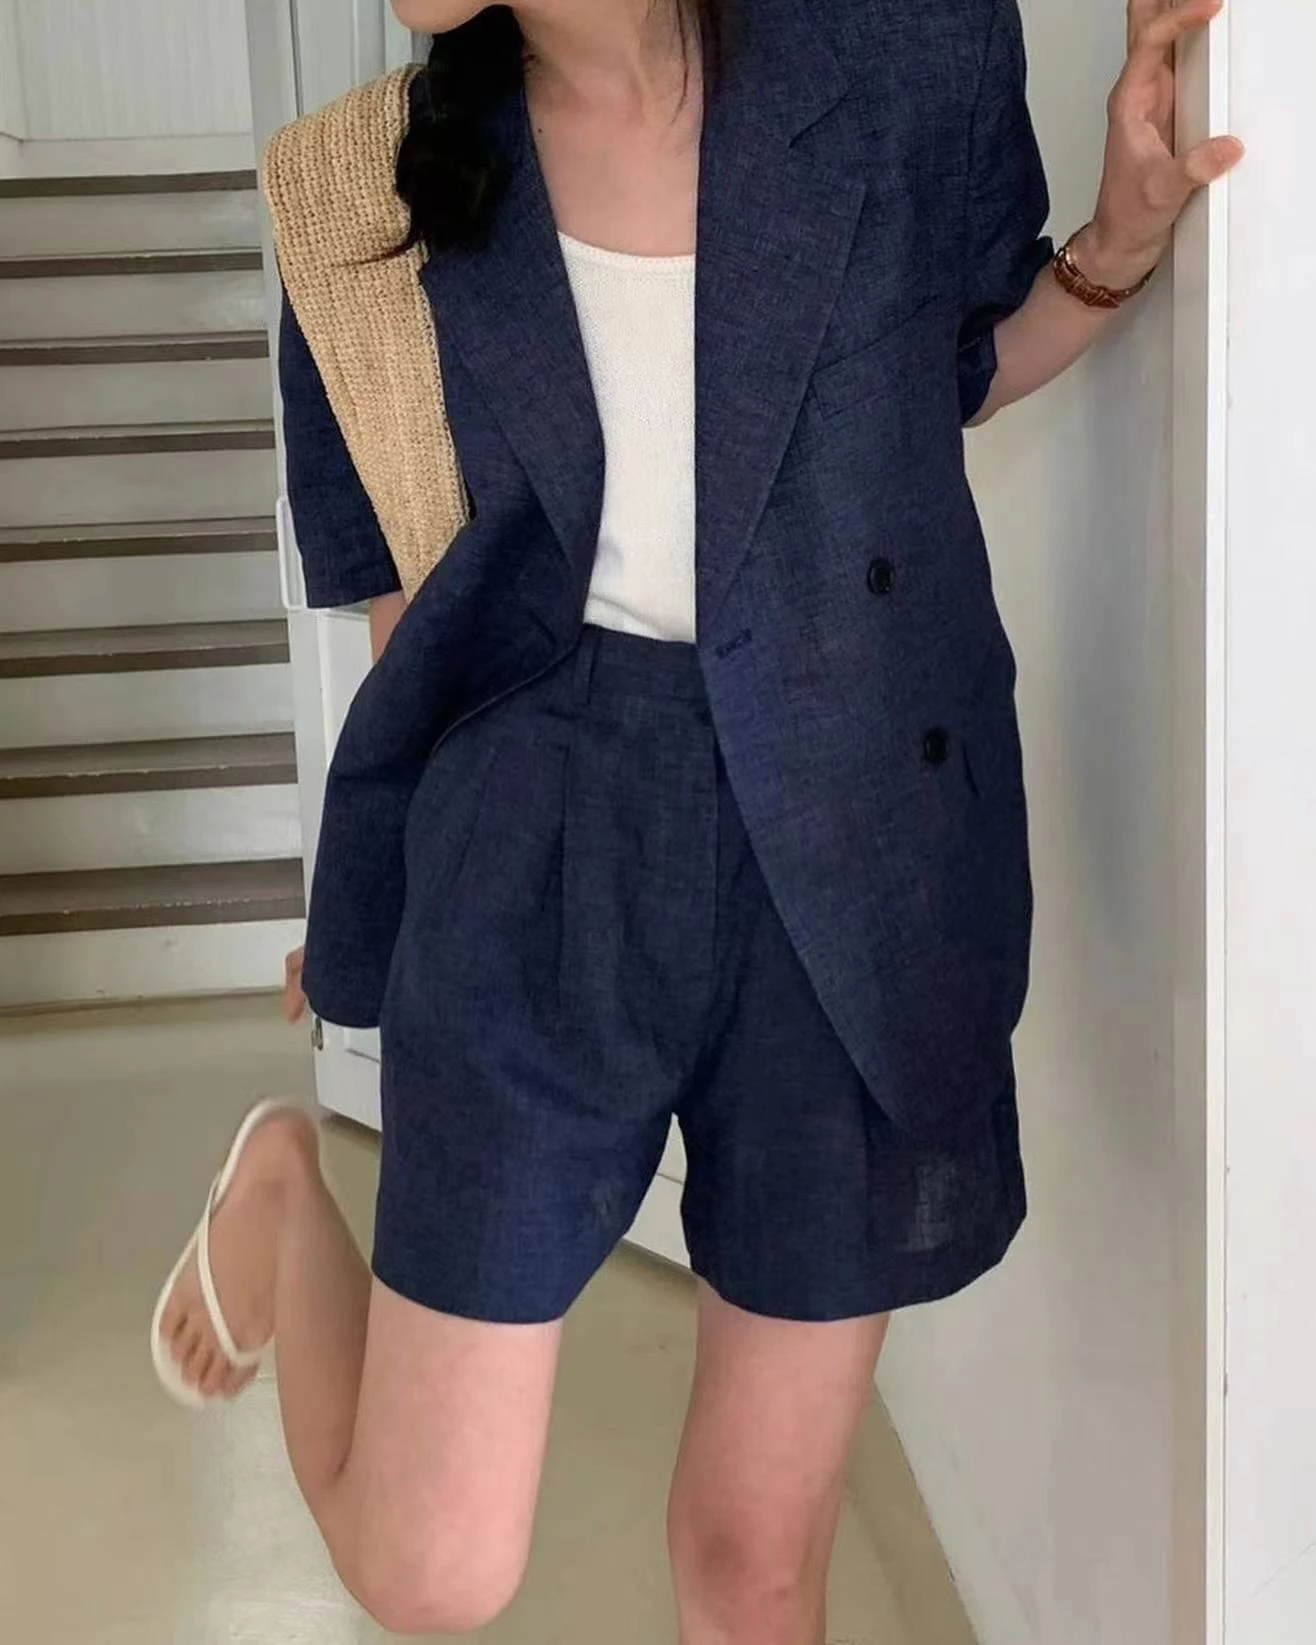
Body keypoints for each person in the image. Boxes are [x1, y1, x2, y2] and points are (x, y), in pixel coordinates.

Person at [151, 1, 1240, 1639]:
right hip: (534, 817)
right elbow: (413, 612)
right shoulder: (358, 188)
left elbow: (952, 367)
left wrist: (1117, 245)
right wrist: (379, 885)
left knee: (754, 1565)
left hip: (854, 816)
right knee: (430, 1570)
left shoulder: (908, 45)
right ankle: (290, 1201)